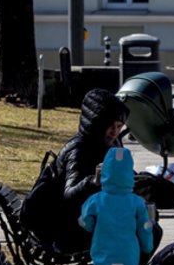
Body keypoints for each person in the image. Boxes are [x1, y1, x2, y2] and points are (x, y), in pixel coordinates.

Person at [79, 147, 154, 265]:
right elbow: (144, 228)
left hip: (104, 253)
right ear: (129, 174)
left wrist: (89, 225)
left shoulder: (96, 200)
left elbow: (85, 222)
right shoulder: (136, 202)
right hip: (127, 255)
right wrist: (148, 245)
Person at [52, 89, 128, 254]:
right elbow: (69, 196)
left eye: (119, 126)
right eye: (111, 126)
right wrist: (94, 181)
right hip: (70, 229)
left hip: (93, 217)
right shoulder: (79, 150)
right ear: (97, 124)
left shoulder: (109, 145)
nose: (115, 132)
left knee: (148, 224)